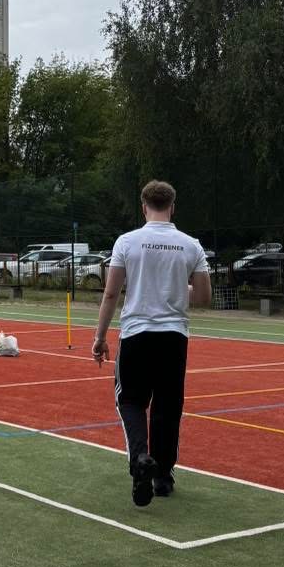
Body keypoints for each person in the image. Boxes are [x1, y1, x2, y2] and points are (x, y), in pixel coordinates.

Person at [92, 180, 212, 506]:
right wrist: (175, 288)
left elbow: (111, 293)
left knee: (130, 401)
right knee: (167, 406)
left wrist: (100, 337)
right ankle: (162, 475)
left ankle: (140, 457)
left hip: (136, 334)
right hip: (174, 337)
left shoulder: (127, 242)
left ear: (144, 207)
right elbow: (203, 297)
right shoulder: (191, 245)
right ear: (172, 207)